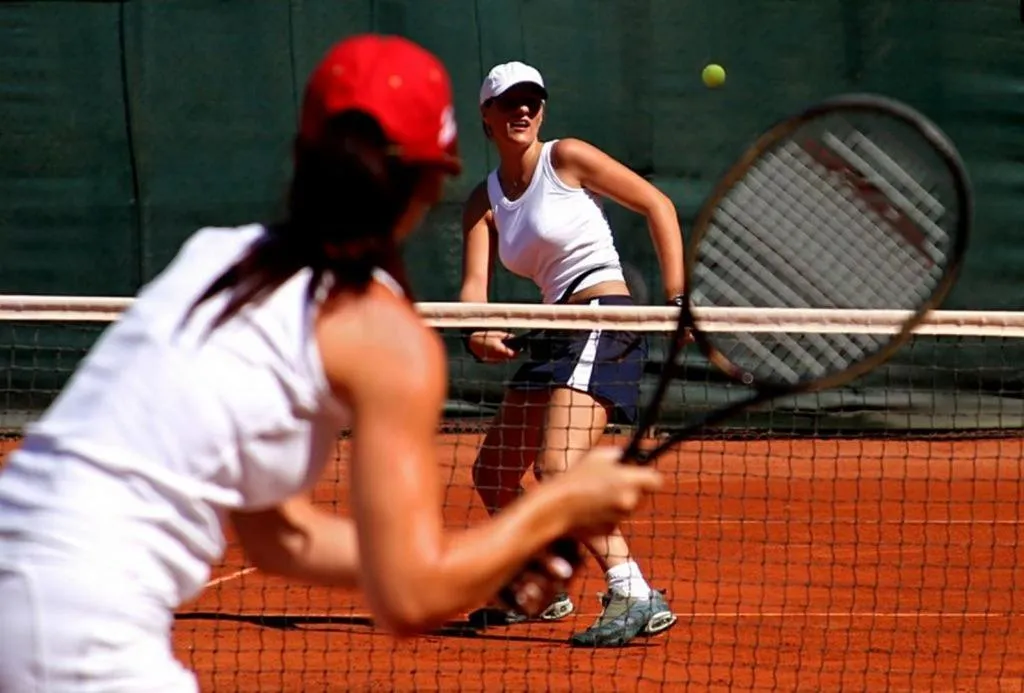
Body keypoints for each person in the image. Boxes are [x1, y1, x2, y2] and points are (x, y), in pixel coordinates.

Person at [0, 36, 665, 692]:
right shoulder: (379, 331)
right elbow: (411, 594)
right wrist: (556, 510)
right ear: (433, 178)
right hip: (84, 633)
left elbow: (279, 537)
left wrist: (498, 563)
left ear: (302, 156)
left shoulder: (213, 257)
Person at [460, 61, 687, 648]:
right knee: (493, 473)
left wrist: (678, 297)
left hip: (601, 318)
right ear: (485, 114)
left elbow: (658, 204)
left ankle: (632, 589)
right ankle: (541, 586)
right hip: (553, 325)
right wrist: (476, 331)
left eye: (532, 101)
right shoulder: (482, 201)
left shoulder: (566, 158)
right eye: (509, 102)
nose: (523, 111)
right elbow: (472, 292)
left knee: (558, 466)